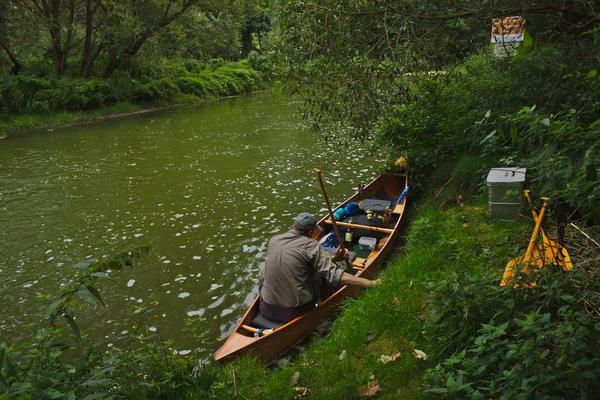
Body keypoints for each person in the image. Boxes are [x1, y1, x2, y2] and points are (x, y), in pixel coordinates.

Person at [258, 212, 380, 323]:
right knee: (322, 274)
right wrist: (371, 283)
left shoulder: (274, 240)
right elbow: (336, 275)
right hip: (296, 312)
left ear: (294, 226)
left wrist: (333, 259)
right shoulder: (312, 245)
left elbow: (297, 261)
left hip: (265, 308)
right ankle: (328, 305)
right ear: (311, 232)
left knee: (264, 272)